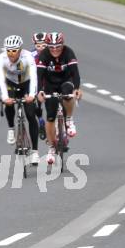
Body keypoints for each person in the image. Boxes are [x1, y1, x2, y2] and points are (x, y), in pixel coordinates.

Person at [36, 32, 82, 164]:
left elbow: (75, 73)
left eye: (58, 47)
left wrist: (77, 88)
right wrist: (39, 91)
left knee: (68, 92)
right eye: (52, 47)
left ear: (63, 45)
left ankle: (69, 119)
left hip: (65, 81)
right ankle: (51, 148)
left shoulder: (68, 52)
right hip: (50, 85)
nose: (55, 50)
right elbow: (39, 75)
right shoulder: (44, 54)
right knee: (50, 117)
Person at [0, 35, 39, 164]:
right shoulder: (1, 58)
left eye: (14, 50)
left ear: (20, 50)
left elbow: (34, 77)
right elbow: (1, 80)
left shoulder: (28, 57)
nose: (11, 54)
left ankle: (35, 152)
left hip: (26, 84)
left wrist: (32, 95)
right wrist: (5, 97)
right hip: (11, 84)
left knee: (31, 115)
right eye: (8, 50)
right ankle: (11, 128)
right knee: (8, 103)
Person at [31, 32, 47, 140]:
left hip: (49, 81)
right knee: (36, 103)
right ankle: (40, 119)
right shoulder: (30, 55)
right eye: (38, 46)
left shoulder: (52, 54)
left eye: (44, 45)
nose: (41, 48)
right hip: (37, 82)